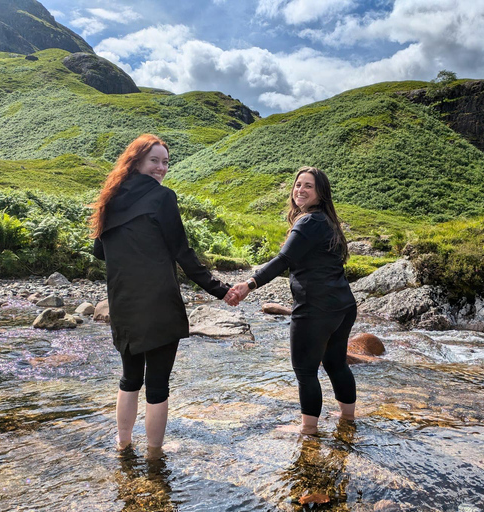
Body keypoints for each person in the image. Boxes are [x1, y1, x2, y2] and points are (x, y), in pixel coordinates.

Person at [90, 133, 237, 452]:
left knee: (130, 379)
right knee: (157, 386)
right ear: (137, 161)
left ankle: (123, 445)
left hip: (123, 303)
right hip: (158, 304)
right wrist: (221, 290)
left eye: (166, 162)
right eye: (154, 160)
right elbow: (183, 254)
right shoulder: (162, 197)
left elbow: (99, 251)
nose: (161, 168)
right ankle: (155, 458)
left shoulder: (110, 199)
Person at [229, 166, 357, 435]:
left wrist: (250, 284)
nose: (300, 190)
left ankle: (308, 431)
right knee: (335, 363)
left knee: (305, 371)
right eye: (298, 185)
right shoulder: (326, 220)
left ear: (320, 193)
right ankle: (348, 419)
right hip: (343, 305)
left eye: (308, 186)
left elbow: (284, 261)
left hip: (316, 308)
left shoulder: (309, 222)